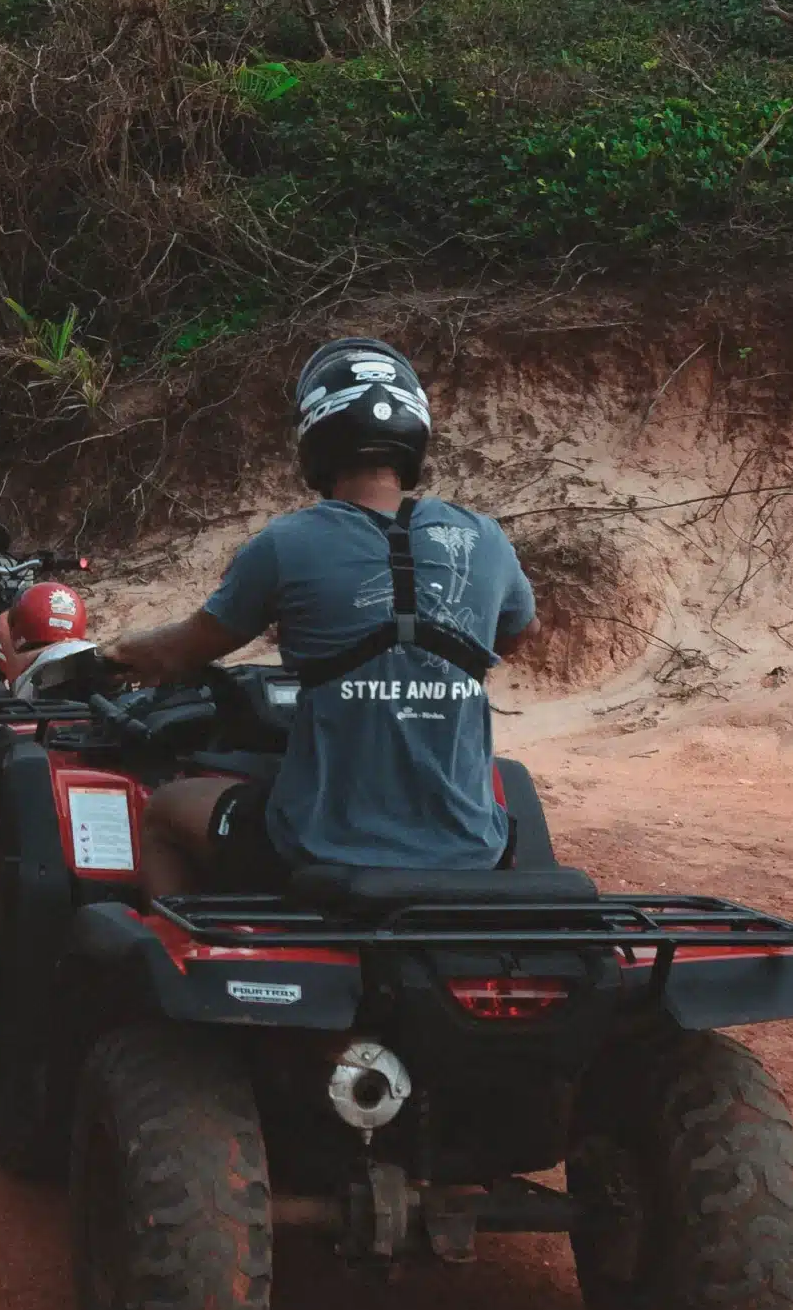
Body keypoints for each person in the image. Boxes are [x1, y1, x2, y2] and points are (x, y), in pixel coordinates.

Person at [105, 338, 537, 898]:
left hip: (324, 842)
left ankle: (177, 963)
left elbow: (179, 650)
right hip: (471, 849)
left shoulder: (288, 544)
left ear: (316, 436)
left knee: (165, 809)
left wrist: (115, 653)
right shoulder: (487, 539)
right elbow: (519, 633)